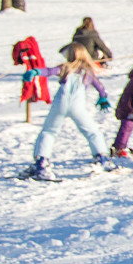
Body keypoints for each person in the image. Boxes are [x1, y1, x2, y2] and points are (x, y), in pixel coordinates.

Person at [27, 44, 111, 179]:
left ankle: (41, 162)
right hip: (77, 106)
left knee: (49, 131)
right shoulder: (88, 71)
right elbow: (100, 86)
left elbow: (48, 71)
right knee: (92, 132)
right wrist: (103, 98)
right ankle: (102, 158)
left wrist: (36, 72)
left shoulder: (65, 68)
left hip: (59, 104)